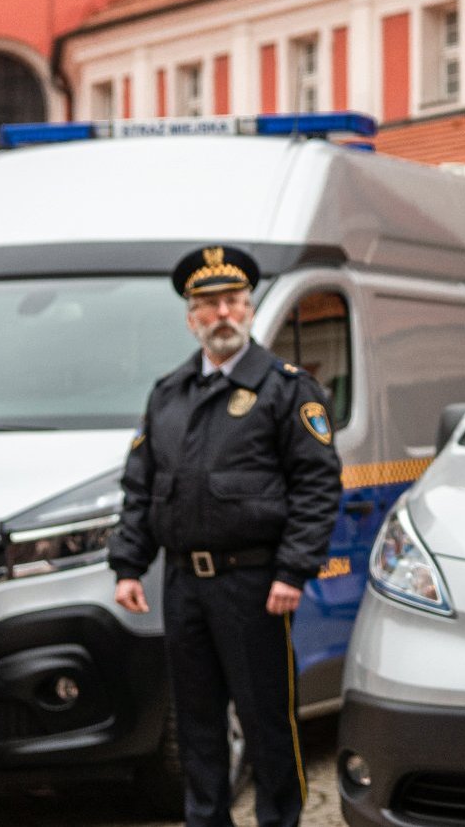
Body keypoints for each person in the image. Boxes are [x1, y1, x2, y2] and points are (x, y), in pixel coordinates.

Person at [108, 244, 342, 827]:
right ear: (191, 318)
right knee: (197, 724)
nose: (222, 316)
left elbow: (317, 485)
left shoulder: (287, 389)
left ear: (251, 310)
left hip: (256, 582)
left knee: (268, 720)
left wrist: (293, 571)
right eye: (208, 305)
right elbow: (142, 487)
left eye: (233, 302)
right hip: (185, 583)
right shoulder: (169, 393)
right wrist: (128, 565)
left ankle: (279, 820)